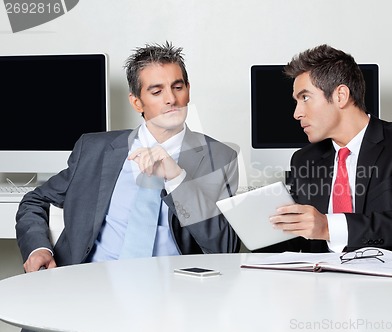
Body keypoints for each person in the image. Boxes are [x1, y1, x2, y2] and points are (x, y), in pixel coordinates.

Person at [16, 41, 240, 273]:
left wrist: (176, 178)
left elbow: (224, 247)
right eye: (156, 91)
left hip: (173, 289)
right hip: (89, 282)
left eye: (178, 87)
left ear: (188, 91)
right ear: (136, 102)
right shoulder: (94, 149)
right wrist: (39, 248)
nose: (171, 99)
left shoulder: (219, 157)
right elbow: (35, 200)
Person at [263, 44, 392, 263]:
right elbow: (301, 237)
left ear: (341, 95)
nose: (296, 113)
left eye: (305, 98)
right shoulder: (305, 159)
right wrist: (264, 229)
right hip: (325, 285)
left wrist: (328, 227)